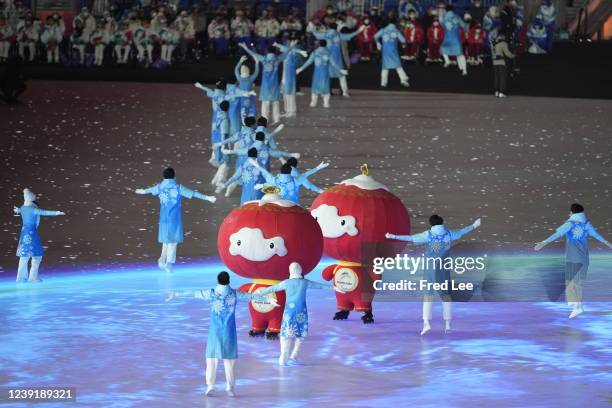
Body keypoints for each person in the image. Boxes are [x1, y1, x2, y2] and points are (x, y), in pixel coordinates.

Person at [166, 271, 278, 396]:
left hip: (215, 332)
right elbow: (252, 296)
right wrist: (269, 301)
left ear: (218, 281)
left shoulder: (211, 293)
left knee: (211, 360)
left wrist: (176, 294)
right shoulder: (235, 294)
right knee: (229, 361)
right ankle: (230, 387)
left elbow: (194, 293)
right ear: (228, 281)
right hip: (228, 332)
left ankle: (210, 386)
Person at [386, 215, 481, 335]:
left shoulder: (428, 235)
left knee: (428, 294)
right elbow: (461, 232)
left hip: (430, 268)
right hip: (443, 268)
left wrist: (393, 236)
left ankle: (426, 323)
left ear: (431, 224)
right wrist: (474, 225)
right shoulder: (448, 234)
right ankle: (447, 324)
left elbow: (410, 238)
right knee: (446, 295)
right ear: (442, 222)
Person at [534, 204, 612, 319]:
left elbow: (557, 234)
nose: (569, 214)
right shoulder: (586, 223)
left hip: (573, 256)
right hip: (583, 256)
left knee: (571, 281)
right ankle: (577, 306)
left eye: (570, 212)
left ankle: (577, 306)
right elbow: (596, 235)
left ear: (572, 212)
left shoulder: (570, 223)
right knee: (575, 282)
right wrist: (607, 243)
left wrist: (543, 243)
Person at [135, 167, 216, 273]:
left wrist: (142, 191)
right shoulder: (177, 188)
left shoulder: (160, 187)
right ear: (174, 176)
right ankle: (168, 264)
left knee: (166, 240)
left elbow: (150, 190)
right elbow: (193, 193)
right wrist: (207, 198)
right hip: (174, 219)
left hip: (164, 219)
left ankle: (162, 259)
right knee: (172, 242)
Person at [257, 263, 338, 366]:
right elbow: (320, 286)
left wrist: (260, 293)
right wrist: (334, 287)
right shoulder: (304, 282)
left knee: (286, 334)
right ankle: (294, 353)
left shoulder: (286, 283)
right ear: (300, 271)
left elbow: (272, 288)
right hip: (301, 311)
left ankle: (284, 355)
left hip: (289, 312)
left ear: (290, 271)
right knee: (300, 333)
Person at [14, 188, 65, 283]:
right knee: (36, 256)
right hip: (31, 234)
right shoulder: (33, 209)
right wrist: (57, 213)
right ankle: (32, 277)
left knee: (24, 256)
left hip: (24, 232)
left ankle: (21, 278)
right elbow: (45, 212)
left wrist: (18, 210)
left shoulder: (24, 208)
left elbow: (20, 210)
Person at [239, 42, 288, 124]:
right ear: (275, 51)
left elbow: (253, 54)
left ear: (267, 52)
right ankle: (276, 119)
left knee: (265, 104)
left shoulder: (264, 59)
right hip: (275, 86)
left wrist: (245, 47)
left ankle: (264, 120)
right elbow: (287, 52)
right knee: (275, 103)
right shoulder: (277, 59)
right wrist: (293, 46)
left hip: (265, 86)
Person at [311, 23, 364, 97]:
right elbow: (350, 35)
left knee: (326, 76)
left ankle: (325, 92)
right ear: (337, 28)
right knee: (342, 77)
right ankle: (345, 92)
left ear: (329, 27)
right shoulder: (339, 35)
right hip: (337, 60)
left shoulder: (324, 34)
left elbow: (315, 34)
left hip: (327, 59)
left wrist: (312, 27)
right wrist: (359, 30)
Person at [296, 39, 346, 108]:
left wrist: (301, 68)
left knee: (315, 88)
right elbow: (334, 64)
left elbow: (308, 62)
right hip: (325, 74)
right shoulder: (328, 53)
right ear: (326, 44)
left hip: (317, 74)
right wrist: (340, 70)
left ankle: (313, 102)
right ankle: (326, 103)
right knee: (325, 87)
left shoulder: (315, 52)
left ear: (319, 44)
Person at [249, 160, 328, 204]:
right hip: (294, 205)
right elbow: (307, 173)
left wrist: (257, 165)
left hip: (279, 204)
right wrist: (318, 167)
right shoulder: (296, 180)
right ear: (290, 171)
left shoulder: (275, 180)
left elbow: (265, 172)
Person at [274, 40, 308, 118]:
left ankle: (291, 111)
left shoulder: (293, 57)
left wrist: (300, 52)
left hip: (289, 80)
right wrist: (278, 45)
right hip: (284, 79)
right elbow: (285, 49)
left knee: (290, 95)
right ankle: (287, 111)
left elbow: (290, 50)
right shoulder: (285, 55)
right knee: (285, 95)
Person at [374, 21, 410, 87]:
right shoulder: (396, 31)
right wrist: (403, 44)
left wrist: (377, 43)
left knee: (385, 67)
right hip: (394, 51)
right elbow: (403, 40)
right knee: (398, 66)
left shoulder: (383, 30)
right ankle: (404, 80)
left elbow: (375, 36)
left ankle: (383, 83)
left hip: (385, 52)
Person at [441, 9, 468, 75]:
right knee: (460, 55)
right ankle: (464, 70)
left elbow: (442, 25)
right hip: (456, 41)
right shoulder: (457, 18)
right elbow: (464, 27)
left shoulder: (444, 18)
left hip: (449, 40)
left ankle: (448, 61)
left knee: (443, 50)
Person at [234, 55, 260, 119]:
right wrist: (257, 63)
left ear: (241, 72)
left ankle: (244, 121)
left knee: (243, 111)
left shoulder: (239, 78)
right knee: (250, 110)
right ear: (248, 71)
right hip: (250, 97)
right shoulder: (250, 78)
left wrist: (240, 61)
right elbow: (256, 72)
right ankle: (250, 120)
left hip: (242, 97)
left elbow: (236, 70)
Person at [492, 33, 515, 98]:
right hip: (501, 62)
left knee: (496, 77)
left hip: (494, 62)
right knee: (502, 78)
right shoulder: (503, 43)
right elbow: (507, 53)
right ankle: (501, 92)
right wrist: (513, 55)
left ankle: (496, 91)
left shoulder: (494, 43)